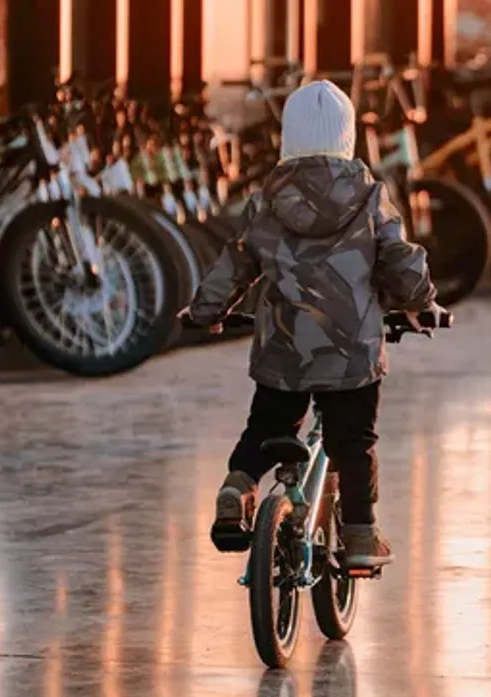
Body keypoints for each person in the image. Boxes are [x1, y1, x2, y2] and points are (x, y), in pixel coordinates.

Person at [179, 79, 442, 568]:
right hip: (352, 355)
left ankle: (237, 488)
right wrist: (421, 302)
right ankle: (360, 537)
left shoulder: (265, 201)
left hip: (283, 351)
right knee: (353, 442)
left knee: (267, 426)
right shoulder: (370, 199)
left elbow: (234, 265)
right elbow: (401, 263)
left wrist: (205, 313)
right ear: (348, 138)